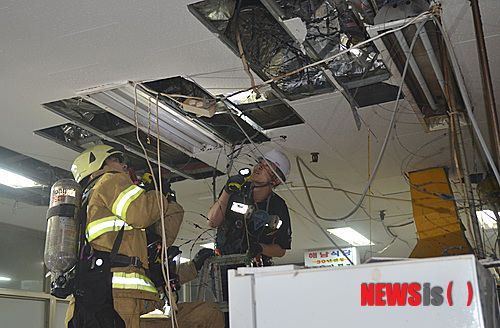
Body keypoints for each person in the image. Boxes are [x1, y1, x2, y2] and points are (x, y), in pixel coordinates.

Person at [64, 144, 223, 328]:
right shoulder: (109, 180)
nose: (124, 166)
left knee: (208, 313)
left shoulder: (94, 203)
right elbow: (143, 214)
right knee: (208, 314)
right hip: (120, 299)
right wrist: (156, 191)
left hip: (129, 300)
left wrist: (167, 200)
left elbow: (158, 240)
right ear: (98, 163)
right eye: (117, 159)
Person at [206, 148, 292, 304]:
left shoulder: (278, 207)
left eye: (267, 166)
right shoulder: (235, 193)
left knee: (254, 312)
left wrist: (259, 247)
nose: (259, 167)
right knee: (229, 314)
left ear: (276, 180)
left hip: (256, 266)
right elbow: (212, 221)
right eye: (260, 163)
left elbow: (281, 249)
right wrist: (227, 191)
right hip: (224, 267)